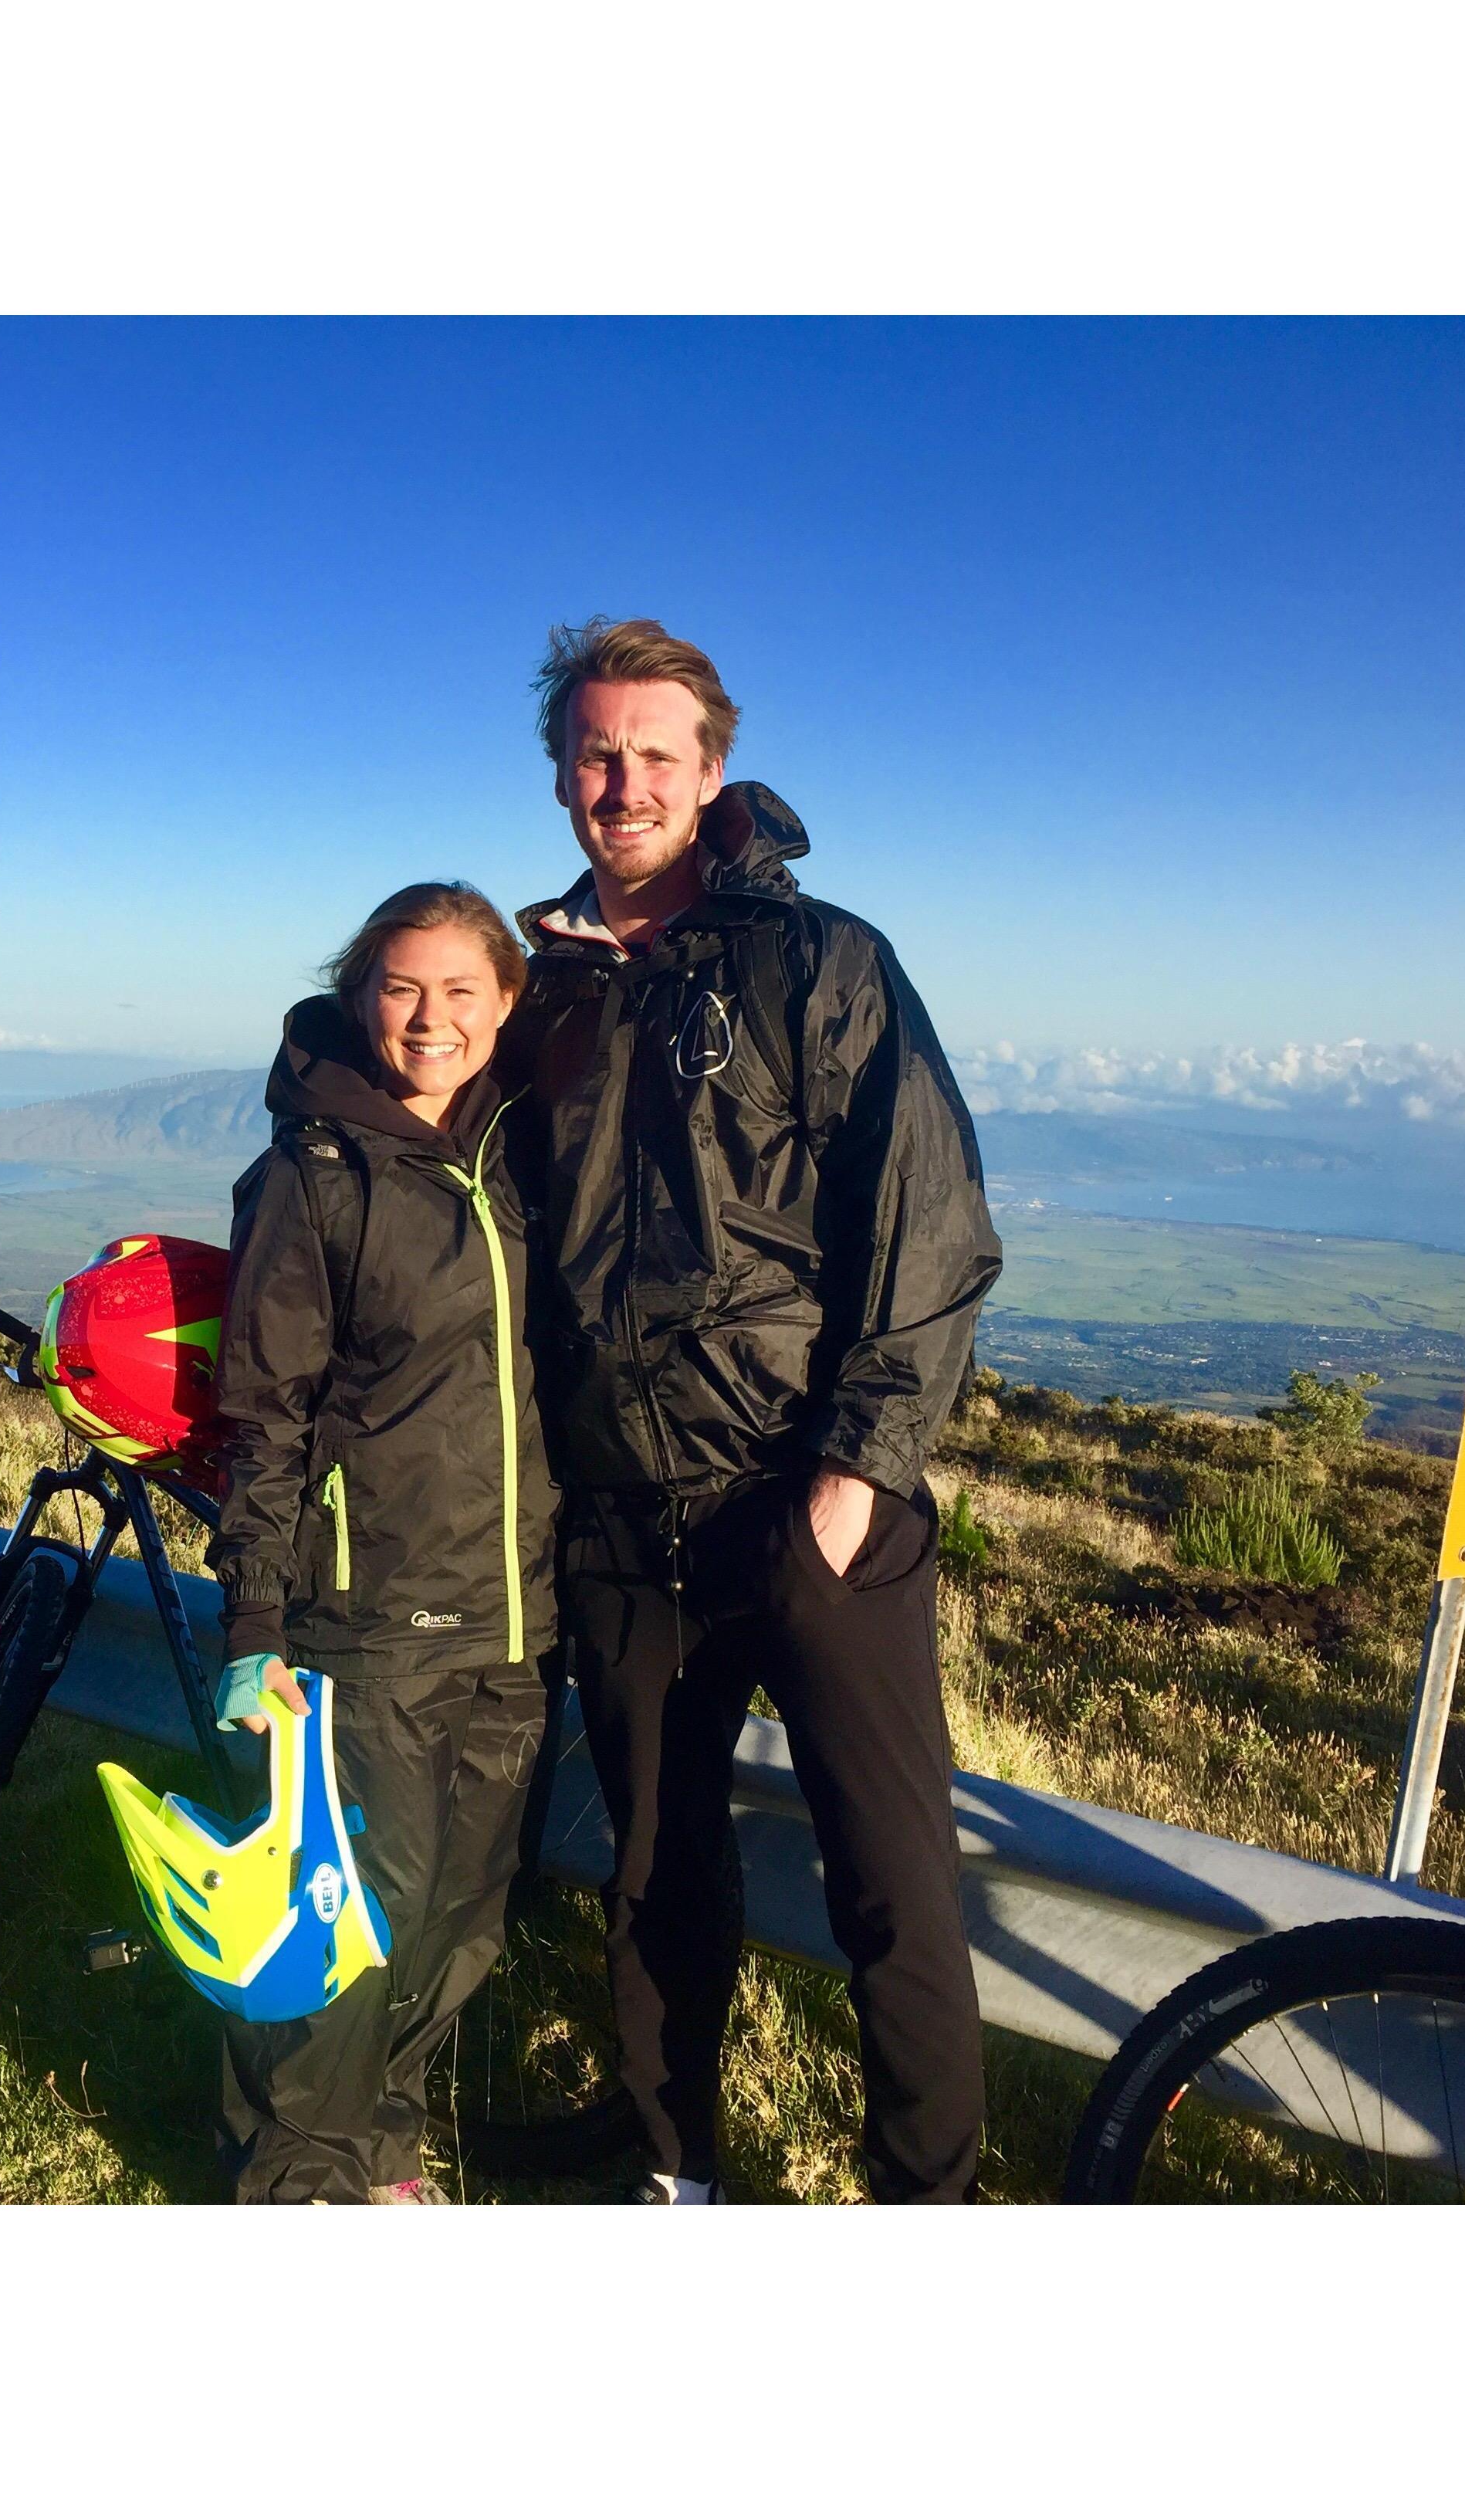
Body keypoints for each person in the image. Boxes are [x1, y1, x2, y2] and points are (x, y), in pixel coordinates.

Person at [508, 617, 1003, 2202]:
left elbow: (930, 1228)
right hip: (621, 1519)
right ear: (561, 775)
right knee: (655, 1880)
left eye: (656, 755)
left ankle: (925, 2207)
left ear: (712, 769)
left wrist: (850, 1483)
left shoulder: (818, 963)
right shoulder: (537, 989)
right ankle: (676, 2179)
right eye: (598, 755)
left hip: (807, 1502)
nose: (626, 784)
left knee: (893, 1893)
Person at [208, 882, 557, 2203]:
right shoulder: (313, 1175)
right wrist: (255, 1622)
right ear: (360, 999)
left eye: (461, 989)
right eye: (401, 988)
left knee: (460, 1920)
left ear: (508, 1001)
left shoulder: (524, 1148)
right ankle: (299, 2176)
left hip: (514, 1616)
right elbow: (265, 1415)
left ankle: (383, 2153)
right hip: (369, 1619)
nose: (430, 1018)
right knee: (350, 1912)